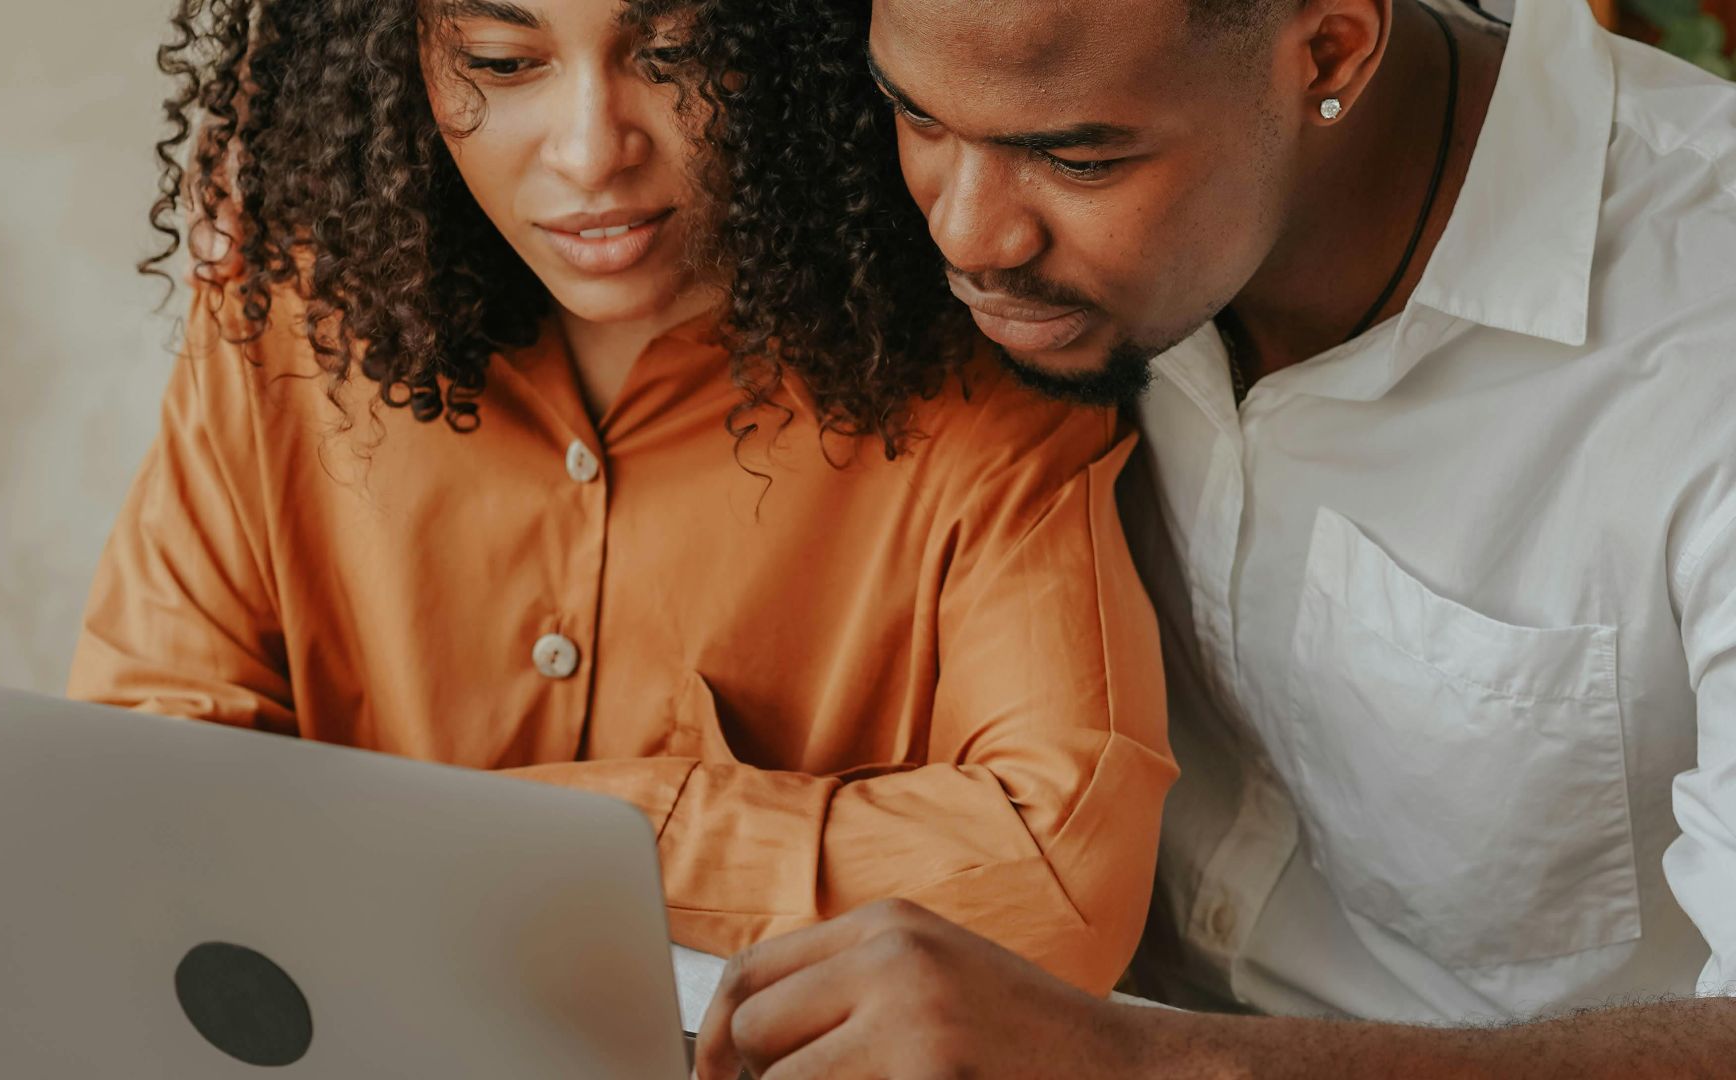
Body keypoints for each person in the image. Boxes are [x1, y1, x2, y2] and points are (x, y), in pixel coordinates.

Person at [690, 0, 1736, 1075]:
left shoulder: (1704, 337)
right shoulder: (994, 199)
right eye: (915, 114)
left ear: (1328, 49)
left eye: (1078, 158)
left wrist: (1130, 1062)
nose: (967, 237)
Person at [68, 0, 1177, 994]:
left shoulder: (988, 380)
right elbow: (146, 772)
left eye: (676, 53)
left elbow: (1055, 878)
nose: (592, 150)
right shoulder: (289, 312)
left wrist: (532, 842)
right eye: (504, 61)